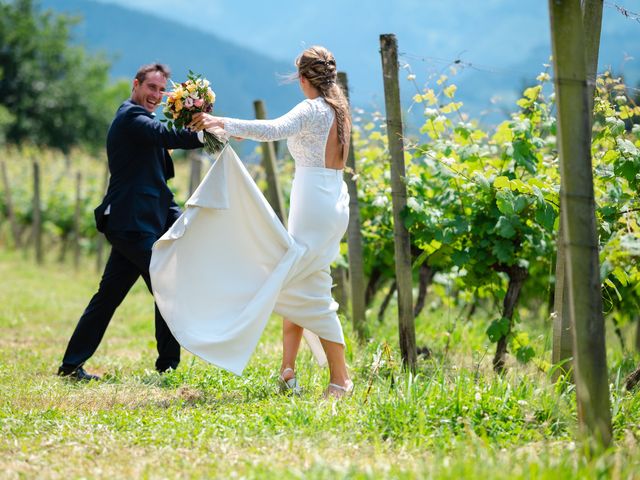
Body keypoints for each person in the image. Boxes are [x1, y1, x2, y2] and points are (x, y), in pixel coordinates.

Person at [150, 46, 353, 397]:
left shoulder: (311, 108)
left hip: (314, 203)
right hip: (331, 199)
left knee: (301, 287)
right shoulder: (339, 110)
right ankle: (287, 372)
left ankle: (341, 380)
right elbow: (274, 131)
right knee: (301, 283)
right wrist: (229, 130)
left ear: (302, 79)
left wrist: (221, 122)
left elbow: (275, 129)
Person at [57, 63, 203, 381]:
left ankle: (70, 366)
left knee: (107, 296)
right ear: (135, 84)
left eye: (162, 90)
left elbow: (155, 185)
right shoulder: (131, 118)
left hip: (137, 223)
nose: (156, 95)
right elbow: (165, 136)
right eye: (151, 87)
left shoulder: (141, 121)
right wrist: (206, 133)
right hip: (131, 224)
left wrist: (179, 219)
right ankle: (168, 366)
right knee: (167, 285)